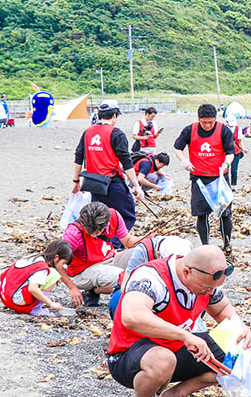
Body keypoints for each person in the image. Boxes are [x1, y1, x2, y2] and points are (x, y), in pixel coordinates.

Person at [107, 245, 251, 397]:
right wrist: (185, 335)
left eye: (213, 289)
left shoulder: (205, 280)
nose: (210, 293)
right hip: (128, 354)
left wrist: (241, 330)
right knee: (163, 360)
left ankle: (177, 394)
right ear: (186, 272)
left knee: (237, 350)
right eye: (206, 288)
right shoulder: (151, 278)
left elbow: (221, 309)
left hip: (175, 347)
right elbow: (132, 316)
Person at [71, 100, 145, 235]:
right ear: (115, 116)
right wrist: (137, 186)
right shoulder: (116, 134)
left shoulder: (88, 132)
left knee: (99, 216)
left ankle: (102, 243)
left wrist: (76, 182)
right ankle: (114, 243)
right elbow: (126, 162)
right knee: (127, 215)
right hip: (112, 181)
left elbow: (78, 157)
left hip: (92, 183)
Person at [173, 104, 235, 251]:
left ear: (216, 119)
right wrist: (184, 161)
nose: (207, 125)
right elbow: (177, 147)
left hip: (219, 177)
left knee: (225, 214)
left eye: (211, 122)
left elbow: (230, 152)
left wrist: (226, 163)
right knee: (202, 215)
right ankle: (205, 246)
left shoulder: (223, 130)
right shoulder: (190, 130)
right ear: (198, 119)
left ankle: (226, 245)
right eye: (204, 122)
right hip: (199, 178)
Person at [63, 202, 142, 307]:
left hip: (109, 260)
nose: (92, 234)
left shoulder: (114, 216)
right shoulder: (73, 234)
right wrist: (72, 287)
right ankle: (132, 303)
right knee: (124, 276)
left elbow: (128, 241)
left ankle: (94, 291)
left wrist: (149, 240)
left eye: (96, 232)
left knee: (144, 252)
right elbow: (55, 262)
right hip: (83, 272)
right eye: (89, 231)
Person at [110, 235, 194, 318]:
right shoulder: (143, 250)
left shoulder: (187, 248)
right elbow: (125, 286)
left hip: (174, 291)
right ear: (158, 255)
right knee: (118, 302)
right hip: (142, 289)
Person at [0, 239, 74, 316]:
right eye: (63, 263)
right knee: (54, 275)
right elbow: (32, 288)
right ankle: (36, 308)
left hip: (5, 295)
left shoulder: (34, 257)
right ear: (56, 257)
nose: (62, 267)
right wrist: (51, 303)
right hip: (17, 301)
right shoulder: (42, 267)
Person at [227, 116, 244, 187]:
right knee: (225, 169)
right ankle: (226, 185)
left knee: (234, 170)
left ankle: (234, 185)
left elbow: (240, 140)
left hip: (236, 151)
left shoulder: (238, 128)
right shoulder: (224, 128)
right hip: (226, 151)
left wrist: (243, 149)